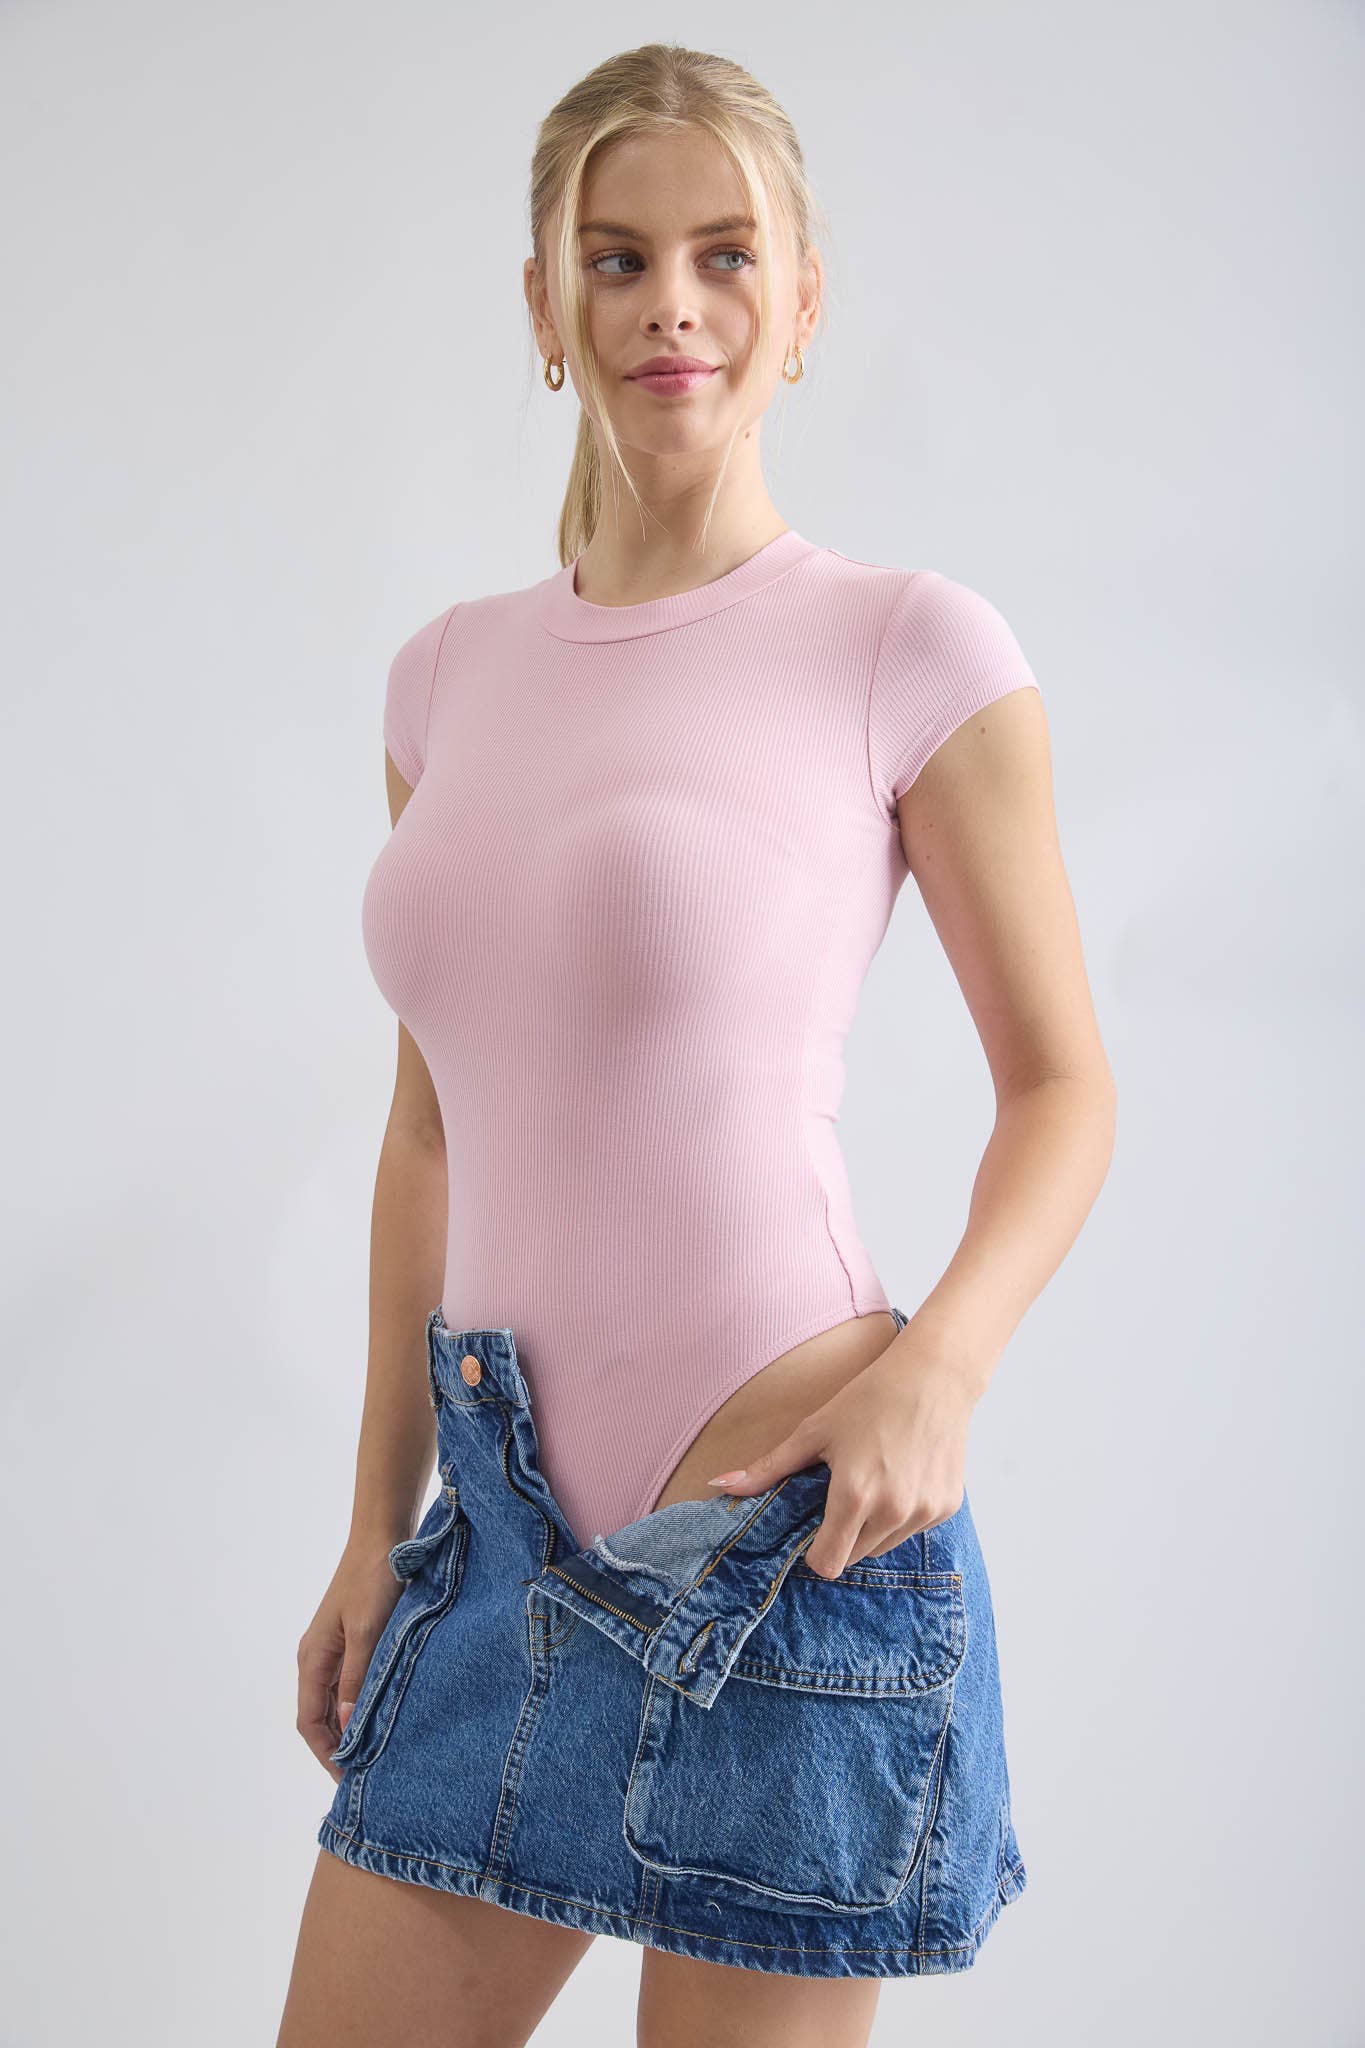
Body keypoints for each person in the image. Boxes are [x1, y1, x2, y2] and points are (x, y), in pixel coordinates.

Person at [277, 40, 1115, 2048]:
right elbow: (428, 1140)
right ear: (546, 303)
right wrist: (376, 1522)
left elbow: (1062, 1085)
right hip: (492, 1550)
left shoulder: (904, 645)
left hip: (783, 1540)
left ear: (801, 302)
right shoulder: (443, 680)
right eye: (619, 256)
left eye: (727, 255)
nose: (673, 304)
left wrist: (938, 1371)